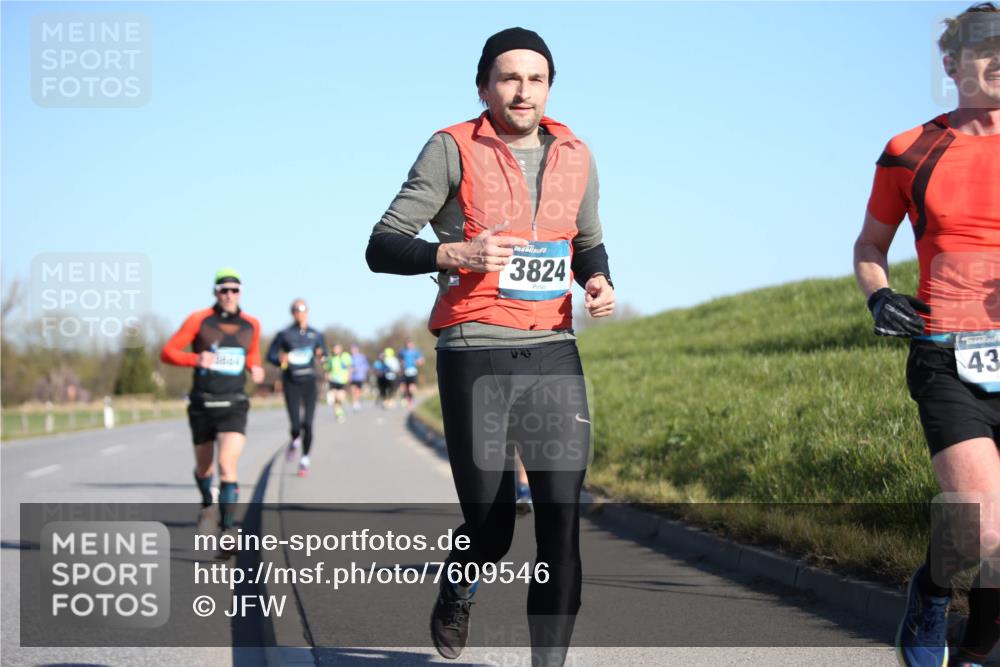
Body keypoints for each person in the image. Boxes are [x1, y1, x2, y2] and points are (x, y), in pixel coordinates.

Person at [366, 27, 615, 666]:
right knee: (493, 527)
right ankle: (459, 581)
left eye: (535, 78)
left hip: (554, 348)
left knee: (561, 522)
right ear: (485, 87)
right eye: (509, 78)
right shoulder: (450, 148)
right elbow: (382, 243)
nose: (522, 90)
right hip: (474, 348)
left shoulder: (577, 154)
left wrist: (596, 278)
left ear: (549, 88)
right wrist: (453, 251)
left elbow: (585, 239)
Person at [853, 5, 1000, 665]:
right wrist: (880, 294)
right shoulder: (910, 150)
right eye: (981, 51)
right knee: (979, 524)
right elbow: (870, 246)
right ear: (951, 64)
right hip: (948, 355)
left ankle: (976, 646)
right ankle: (932, 594)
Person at [160, 268, 264, 549]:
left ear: (240, 292)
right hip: (203, 403)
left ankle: (228, 532)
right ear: (215, 292)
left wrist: (256, 368)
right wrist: (196, 359)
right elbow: (168, 352)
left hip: (234, 403)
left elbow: (251, 354)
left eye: (234, 289)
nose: (229, 295)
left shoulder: (251, 324)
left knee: (226, 465)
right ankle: (208, 504)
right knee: (205, 469)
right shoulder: (199, 320)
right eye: (223, 289)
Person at [267, 299, 327, 477]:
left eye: (302, 309)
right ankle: (294, 440)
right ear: (292, 313)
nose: (300, 313)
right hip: (291, 382)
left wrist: (322, 355)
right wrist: (280, 359)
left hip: (309, 382)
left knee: (308, 423)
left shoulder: (316, 334)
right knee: (295, 425)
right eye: (296, 310)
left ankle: (305, 460)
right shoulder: (284, 334)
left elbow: (324, 355)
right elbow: (270, 354)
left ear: (307, 312)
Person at [324, 343, 353, 422]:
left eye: (338, 349)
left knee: (341, 398)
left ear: (341, 349)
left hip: (342, 380)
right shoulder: (330, 358)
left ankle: (340, 410)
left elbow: (350, 367)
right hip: (333, 380)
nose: (336, 350)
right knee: (335, 398)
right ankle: (339, 413)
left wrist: (349, 376)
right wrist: (327, 375)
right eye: (335, 349)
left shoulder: (345, 357)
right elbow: (327, 369)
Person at [399, 340, 425, 410]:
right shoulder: (402, 351)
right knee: (404, 388)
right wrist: (401, 364)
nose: (409, 345)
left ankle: (410, 402)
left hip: (413, 372)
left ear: (412, 344)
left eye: (410, 344)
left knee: (411, 389)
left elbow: (422, 360)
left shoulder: (416, 351)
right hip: (405, 372)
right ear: (405, 344)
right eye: (407, 344)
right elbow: (400, 360)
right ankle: (406, 399)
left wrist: (418, 361)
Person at [349, 344, 370, 410]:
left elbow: (366, 366)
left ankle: (357, 401)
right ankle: (355, 402)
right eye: (352, 350)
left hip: (359, 377)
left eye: (354, 349)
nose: (353, 351)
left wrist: (358, 369)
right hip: (352, 377)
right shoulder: (349, 357)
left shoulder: (362, 357)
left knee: (358, 390)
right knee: (352, 390)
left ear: (357, 350)